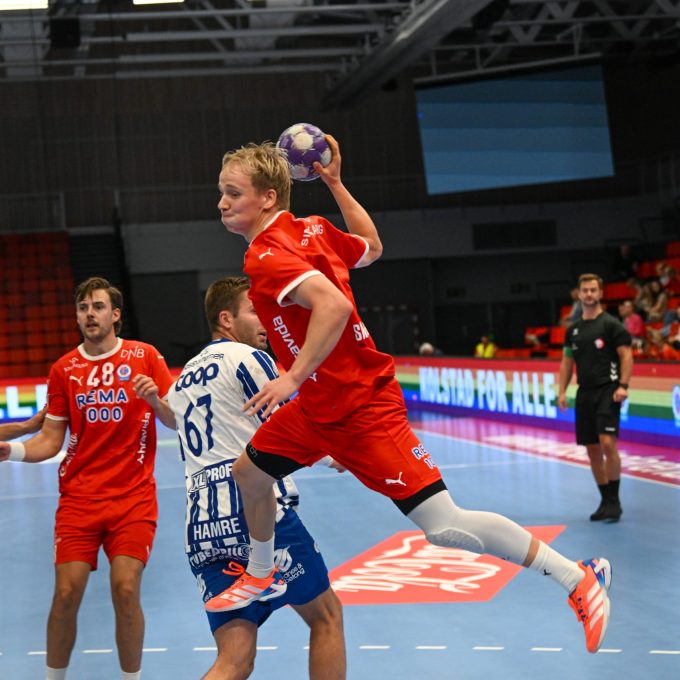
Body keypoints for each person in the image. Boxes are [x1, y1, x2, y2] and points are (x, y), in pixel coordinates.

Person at [207, 136, 613, 654]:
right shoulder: (313, 229)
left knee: (444, 526)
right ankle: (263, 573)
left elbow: (333, 307)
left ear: (268, 197)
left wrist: (292, 376)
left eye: (233, 193)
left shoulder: (266, 256)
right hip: (317, 408)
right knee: (249, 473)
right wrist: (336, 184)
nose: (222, 203)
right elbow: (371, 246)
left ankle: (578, 577)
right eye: (222, 192)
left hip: (361, 407)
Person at [133, 276, 345, 680]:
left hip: (202, 525)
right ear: (226, 319)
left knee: (235, 659)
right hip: (255, 510)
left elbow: (176, 422)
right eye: (254, 311)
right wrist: (335, 453)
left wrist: (155, 402)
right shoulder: (248, 358)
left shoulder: (184, 377)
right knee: (326, 617)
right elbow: (287, 422)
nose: (265, 320)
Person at [0, 277, 173, 680]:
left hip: (133, 499)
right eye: (83, 308)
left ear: (115, 315)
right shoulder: (64, 369)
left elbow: (176, 420)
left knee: (126, 589)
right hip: (79, 500)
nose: (90, 314)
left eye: (98, 306)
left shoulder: (145, 356)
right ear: (77, 317)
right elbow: (49, 440)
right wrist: (14, 451)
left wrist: (154, 399)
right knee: (65, 594)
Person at [558, 273, 633, 523]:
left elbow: (626, 355)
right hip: (585, 393)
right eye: (585, 290)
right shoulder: (573, 330)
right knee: (592, 449)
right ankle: (605, 500)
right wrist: (562, 391)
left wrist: (623, 385)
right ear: (579, 294)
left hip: (608, 390)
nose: (589, 294)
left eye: (593, 290)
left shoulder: (611, 325)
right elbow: (566, 362)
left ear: (600, 293)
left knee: (607, 443)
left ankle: (615, 501)